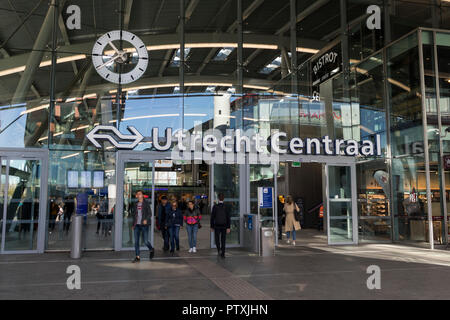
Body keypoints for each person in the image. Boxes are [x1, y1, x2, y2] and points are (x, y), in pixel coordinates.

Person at [131, 190, 154, 263]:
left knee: (145, 241)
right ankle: (137, 257)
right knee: (136, 242)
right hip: (137, 225)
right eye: (137, 194)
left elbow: (150, 213)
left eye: (140, 194)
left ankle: (151, 249)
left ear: (142, 195)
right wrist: (133, 224)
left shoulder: (146, 203)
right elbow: (134, 215)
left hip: (144, 225)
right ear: (136, 196)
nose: (138, 195)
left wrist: (146, 220)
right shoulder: (135, 204)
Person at [210, 193, 231, 259]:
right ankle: (223, 254)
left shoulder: (215, 206)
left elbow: (212, 217)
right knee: (223, 239)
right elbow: (228, 217)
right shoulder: (226, 206)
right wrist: (228, 227)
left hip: (217, 225)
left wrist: (212, 226)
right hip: (224, 225)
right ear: (223, 199)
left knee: (217, 239)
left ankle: (219, 250)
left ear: (218, 199)